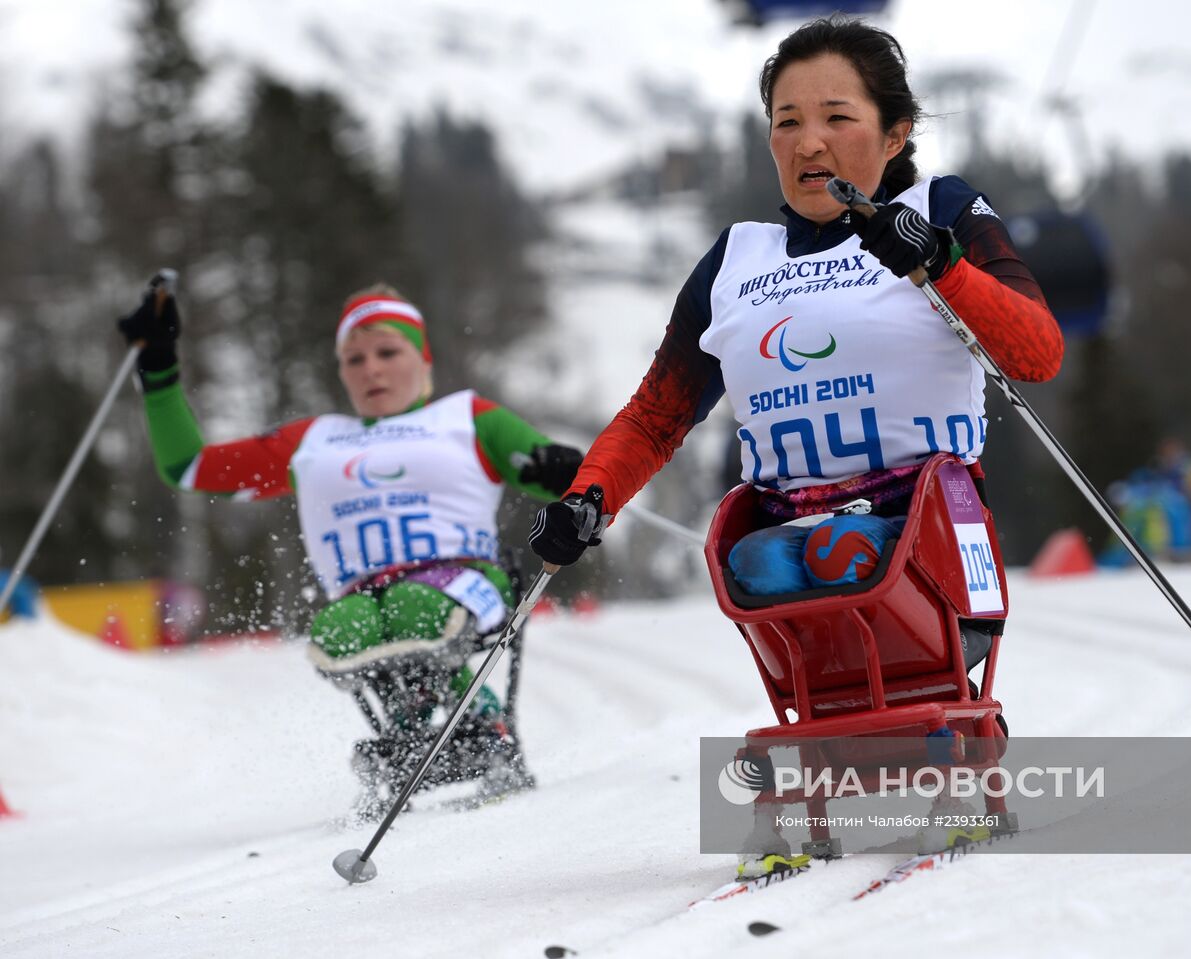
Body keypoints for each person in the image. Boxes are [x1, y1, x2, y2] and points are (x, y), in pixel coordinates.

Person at [528, 17, 1062, 871]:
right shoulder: (739, 258)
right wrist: (588, 498)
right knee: (766, 560)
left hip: (929, 536)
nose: (809, 142)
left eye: (837, 117)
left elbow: (1037, 351)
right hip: (790, 538)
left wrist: (940, 263)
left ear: (895, 133)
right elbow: (657, 416)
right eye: (787, 121)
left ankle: (943, 755)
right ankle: (816, 767)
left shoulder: (941, 209)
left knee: (849, 555)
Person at [118, 279, 582, 811]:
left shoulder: (467, 418)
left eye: (388, 352)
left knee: (417, 608)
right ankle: (405, 732)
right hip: (366, 595)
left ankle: (482, 720)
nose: (371, 370)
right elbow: (190, 467)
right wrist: (158, 370)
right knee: (340, 629)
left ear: (423, 359)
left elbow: (566, 479)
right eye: (354, 359)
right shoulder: (316, 440)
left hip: (468, 580)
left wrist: (562, 469)